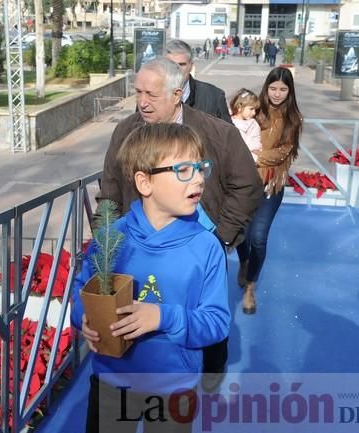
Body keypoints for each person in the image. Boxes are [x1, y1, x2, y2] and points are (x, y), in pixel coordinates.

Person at [99, 57, 262, 389]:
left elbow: (247, 185)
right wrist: (107, 243)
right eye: (138, 92)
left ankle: (211, 368)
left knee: (202, 316)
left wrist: (222, 235)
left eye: (152, 94)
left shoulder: (218, 133)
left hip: (199, 245)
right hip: (139, 250)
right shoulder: (125, 132)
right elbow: (110, 189)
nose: (142, 102)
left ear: (177, 94)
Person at [72, 123, 231, 432]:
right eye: (184, 169)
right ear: (145, 183)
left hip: (173, 390)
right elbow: (82, 293)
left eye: (201, 168)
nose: (199, 178)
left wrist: (162, 317)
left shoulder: (207, 247)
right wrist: (85, 319)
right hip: (111, 384)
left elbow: (217, 323)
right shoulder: (110, 239)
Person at [236, 67, 303, 314]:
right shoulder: (254, 110)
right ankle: (244, 261)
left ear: (290, 91)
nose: (277, 94)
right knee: (242, 233)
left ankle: (250, 286)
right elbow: (235, 127)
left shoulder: (294, 119)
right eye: (273, 88)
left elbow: (285, 151)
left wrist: (257, 157)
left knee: (259, 237)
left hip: (271, 185)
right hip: (244, 183)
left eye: (283, 89)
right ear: (266, 87)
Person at [165, 39, 232, 124]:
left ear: (191, 66)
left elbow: (229, 135)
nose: (176, 69)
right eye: (171, 65)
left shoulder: (215, 96)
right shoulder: (149, 96)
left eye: (182, 64)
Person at [229, 88, 261, 160]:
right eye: (251, 109)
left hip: (246, 160)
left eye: (255, 109)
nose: (254, 113)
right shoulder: (227, 120)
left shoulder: (253, 125)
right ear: (239, 107)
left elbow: (254, 144)